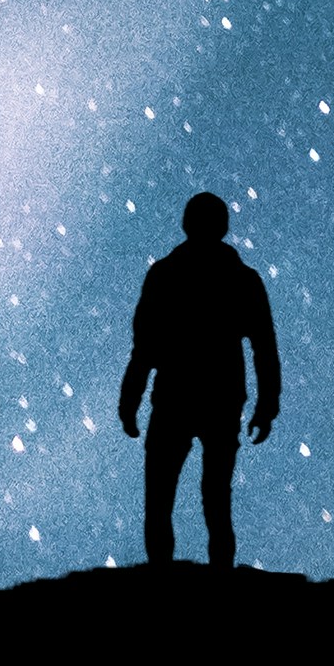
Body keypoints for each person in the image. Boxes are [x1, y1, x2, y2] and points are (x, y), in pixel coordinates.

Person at [119, 192, 280, 569]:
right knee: (215, 497)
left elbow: (144, 347)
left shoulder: (165, 274)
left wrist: (130, 401)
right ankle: (218, 576)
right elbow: (264, 348)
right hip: (221, 396)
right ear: (222, 226)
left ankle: (164, 572)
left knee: (161, 495)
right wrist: (266, 405)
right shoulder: (242, 279)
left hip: (176, 394)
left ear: (187, 224)